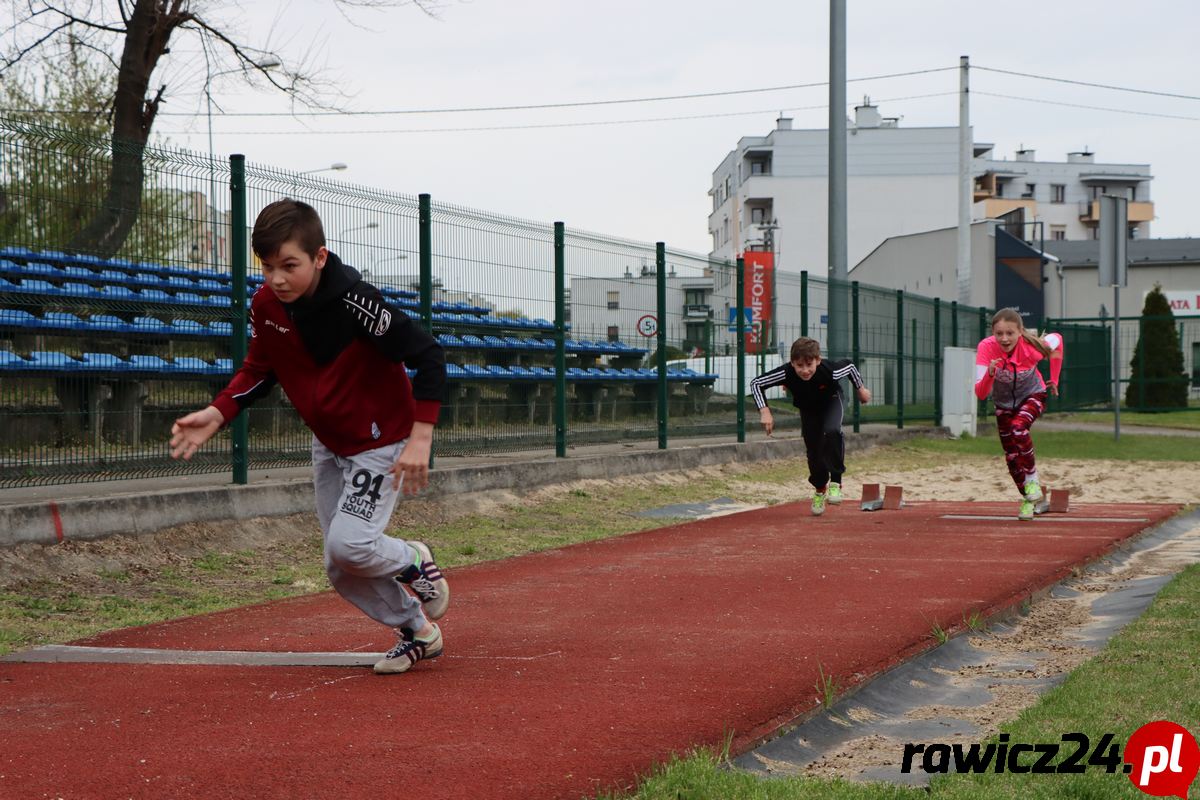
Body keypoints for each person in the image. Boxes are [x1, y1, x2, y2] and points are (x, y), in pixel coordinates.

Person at [170, 199, 449, 675]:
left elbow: (429, 355)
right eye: (267, 267)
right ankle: (418, 630)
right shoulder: (266, 305)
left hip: (381, 441)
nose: (277, 279)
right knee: (341, 566)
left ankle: (411, 560)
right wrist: (220, 412)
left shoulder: (357, 302)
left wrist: (421, 437)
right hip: (330, 442)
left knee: (350, 545)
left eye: (289, 266)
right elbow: (261, 368)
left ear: (320, 257)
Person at [750, 337, 871, 516]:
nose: (805, 370)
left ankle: (836, 482)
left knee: (832, 431)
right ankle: (820, 488)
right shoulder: (786, 373)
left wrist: (861, 390)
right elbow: (756, 383)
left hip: (831, 401)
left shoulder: (829, 370)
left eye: (809, 365)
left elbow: (850, 367)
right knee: (814, 451)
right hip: (808, 409)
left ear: (818, 360)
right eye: (799, 366)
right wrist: (764, 411)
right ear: (792, 363)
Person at [974, 308, 1065, 521]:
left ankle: (1033, 478)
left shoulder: (1033, 348)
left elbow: (1058, 341)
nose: (1004, 339)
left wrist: (1055, 377)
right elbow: (980, 393)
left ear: (1020, 332)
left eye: (1010, 333)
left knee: (1019, 428)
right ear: (993, 333)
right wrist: (990, 373)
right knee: (1012, 457)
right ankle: (1028, 498)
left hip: (1033, 394)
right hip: (1003, 403)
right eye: (999, 334)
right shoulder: (986, 348)